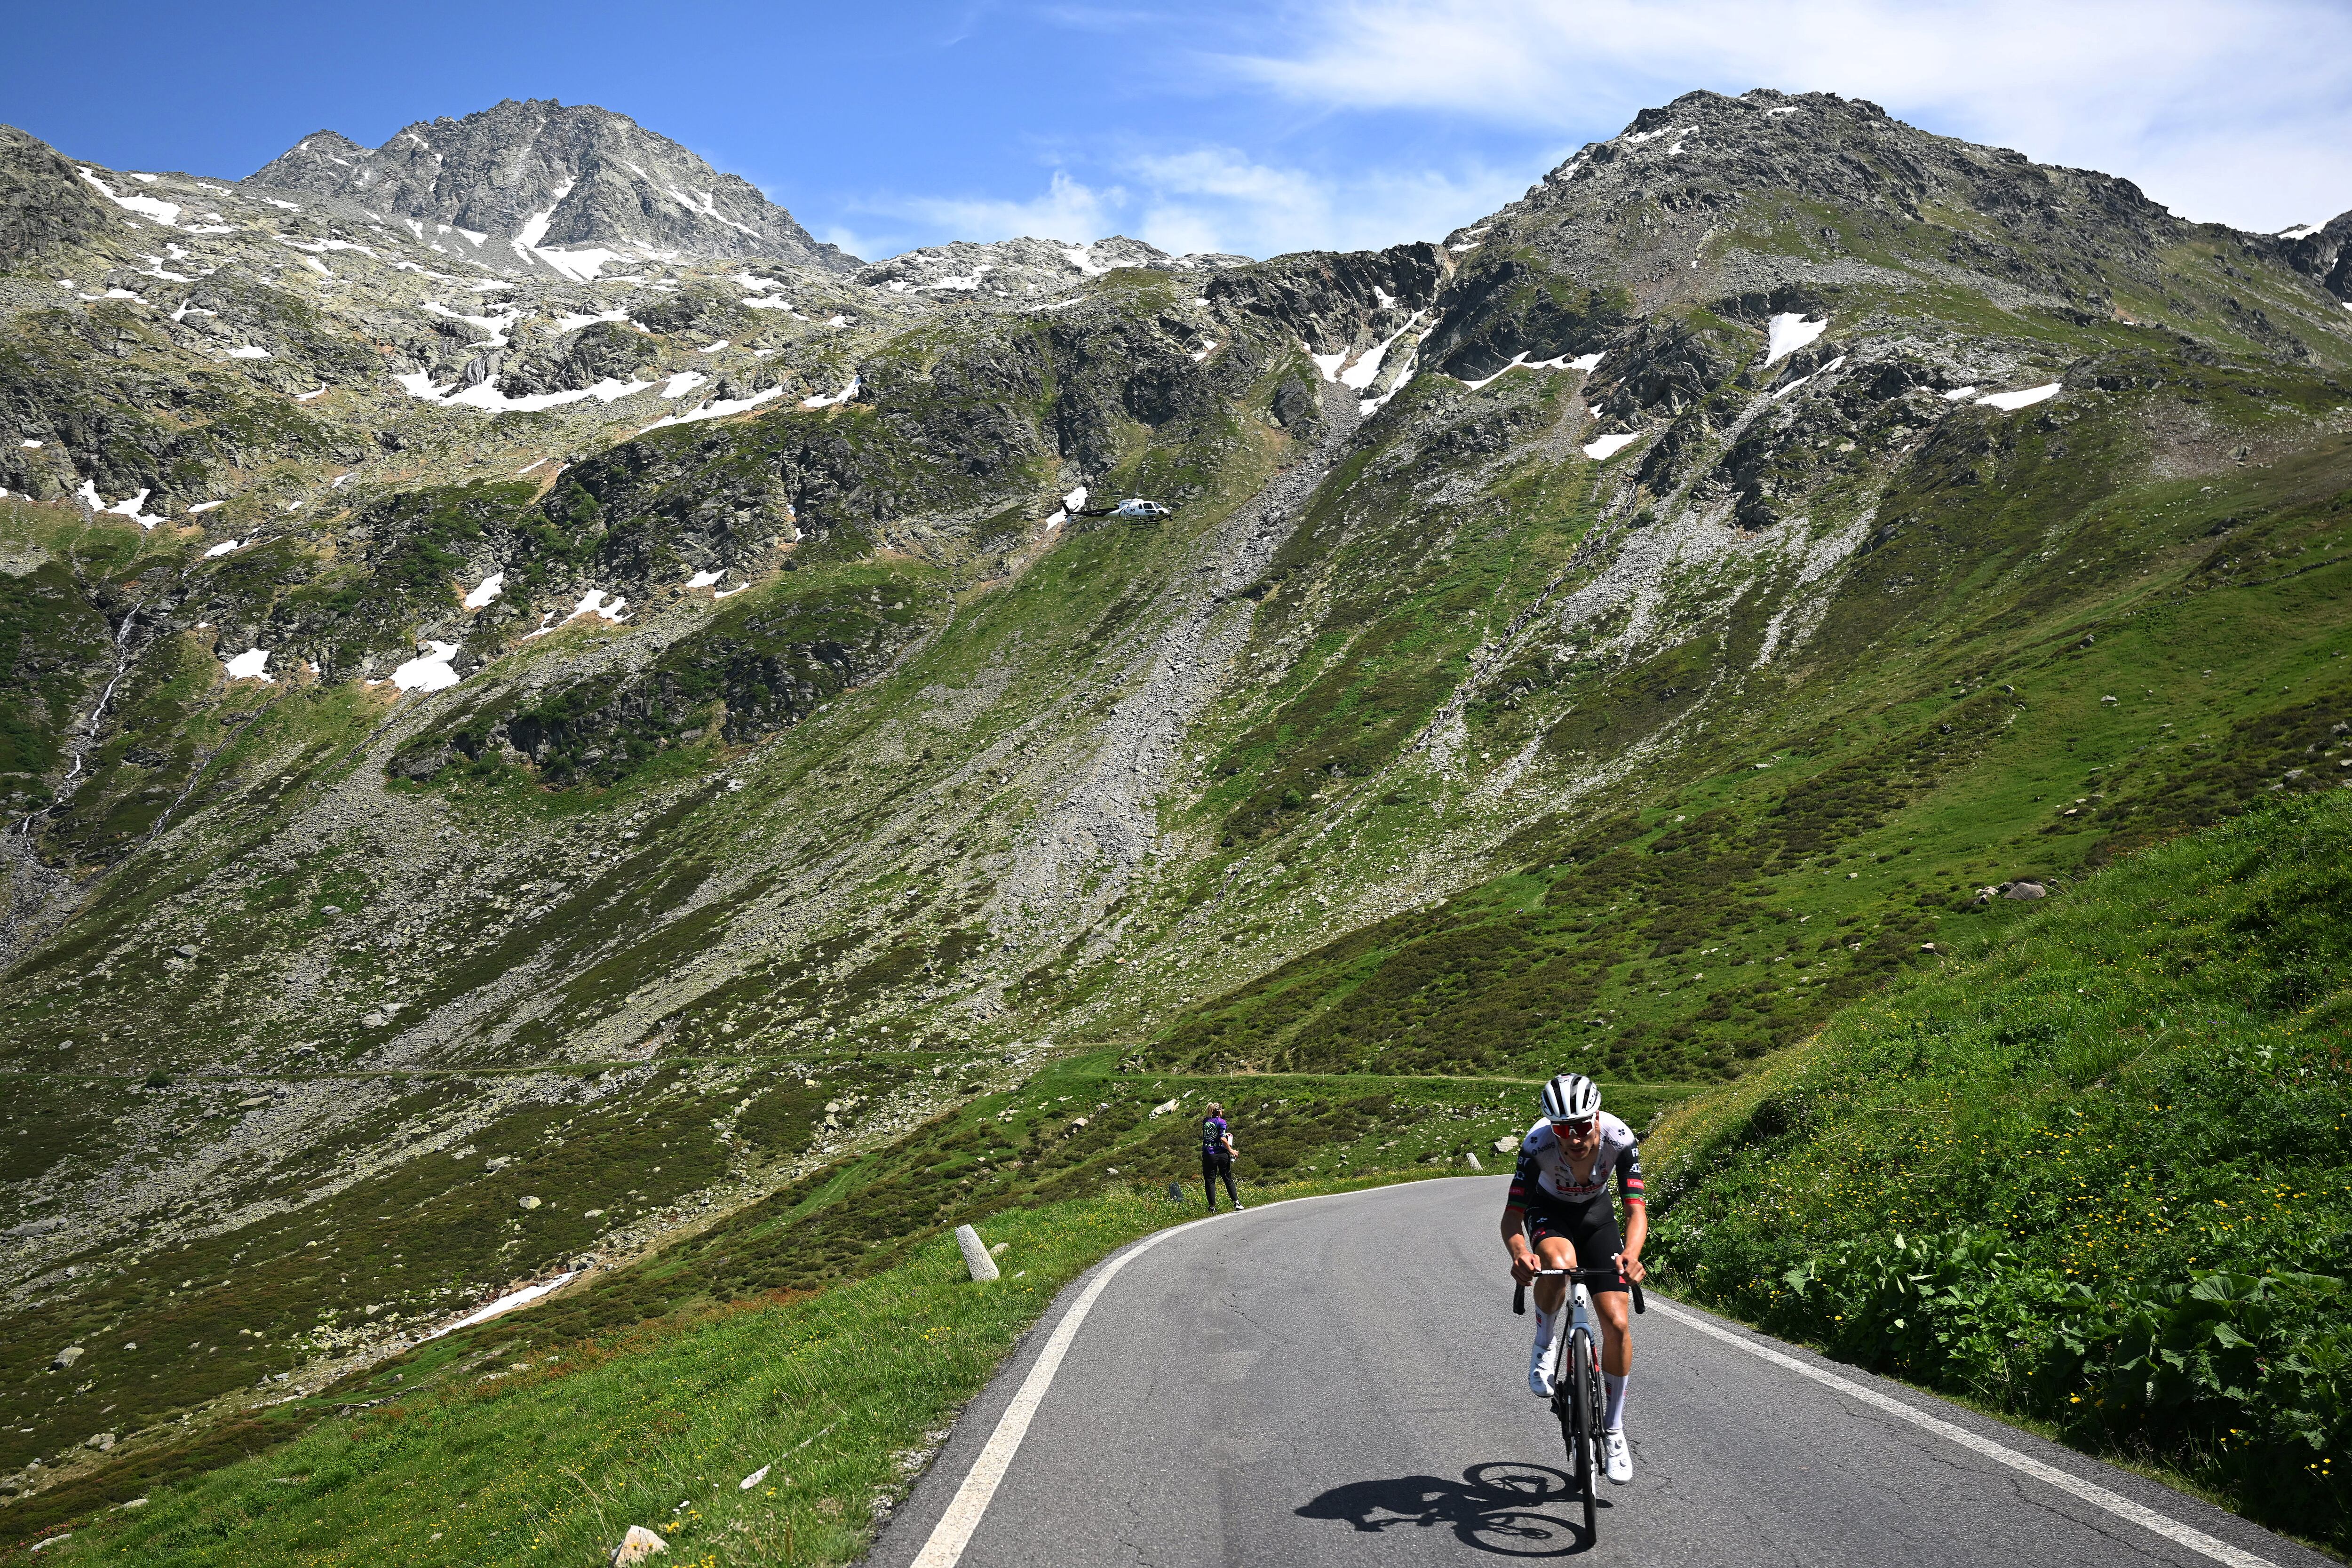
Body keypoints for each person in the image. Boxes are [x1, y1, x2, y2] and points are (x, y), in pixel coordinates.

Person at [1501, 1072, 1646, 1486]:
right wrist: (1520, 1253)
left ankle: (1615, 1430)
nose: (1573, 1137)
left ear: (1596, 1117)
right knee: (1559, 1262)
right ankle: (1545, 1343)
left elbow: (1636, 1210)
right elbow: (1513, 1216)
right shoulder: (1537, 1145)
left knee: (1617, 1323)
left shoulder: (1620, 1138)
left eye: (1582, 1126)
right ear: (1551, 1126)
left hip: (1598, 1218)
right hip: (1550, 1212)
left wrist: (1632, 1255)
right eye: (1562, 1128)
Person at [1200, 1102, 1242, 1212]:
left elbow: (1212, 1134)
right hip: (1222, 1155)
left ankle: (1212, 1207)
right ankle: (1236, 1202)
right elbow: (1222, 1138)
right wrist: (1231, 1150)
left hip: (1209, 1154)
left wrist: (1224, 1133)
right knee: (1228, 1178)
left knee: (1210, 1181)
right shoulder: (1222, 1122)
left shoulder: (1206, 1121)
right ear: (1220, 1112)